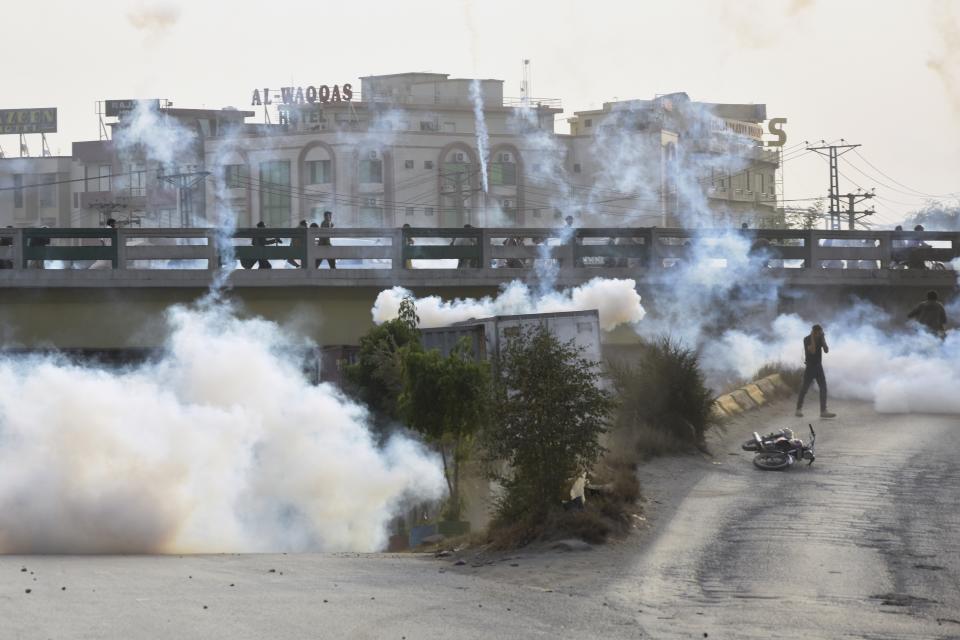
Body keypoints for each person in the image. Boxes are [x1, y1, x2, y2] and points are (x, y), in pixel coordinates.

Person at [796, 324, 836, 418]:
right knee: (804, 388)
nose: (818, 334)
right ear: (813, 332)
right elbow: (813, 351)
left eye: (820, 333)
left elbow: (826, 350)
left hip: (818, 367)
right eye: (817, 333)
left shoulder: (820, 339)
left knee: (823, 388)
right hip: (810, 367)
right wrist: (813, 338)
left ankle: (823, 411)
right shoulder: (807, 339)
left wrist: (823, 339)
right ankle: (798, 409)